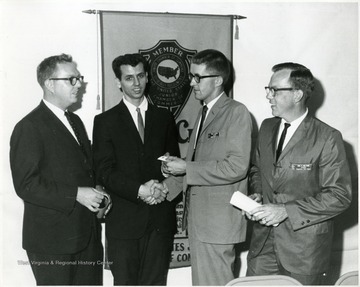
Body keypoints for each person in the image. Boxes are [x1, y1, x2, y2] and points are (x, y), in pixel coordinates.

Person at [245, 62, 352, 285]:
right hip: (262, 246)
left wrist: (286, 211)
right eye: (268, 89)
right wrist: (257, 196)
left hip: (304, 253)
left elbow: (340, 196)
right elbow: (256, 170)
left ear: (298, 94)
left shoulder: (327, 137)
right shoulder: (266, 128)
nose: (268, 96)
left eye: (274, 90)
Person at [9, 54, 108, 285]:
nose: (79, 84)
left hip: (88, 238)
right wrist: (77, 194)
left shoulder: (75, 121)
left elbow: (86, 169)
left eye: (78, 78)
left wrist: (99, 193)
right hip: (52, 243)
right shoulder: (29, 127)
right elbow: (26, 185)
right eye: (71, 79)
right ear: (49, 84)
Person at [163, 49, 252, 286]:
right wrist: (171, 175)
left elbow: (236, 167)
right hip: (202, 223)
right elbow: (201, 162)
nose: (192, 82)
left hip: (217, 224)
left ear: (218, 80)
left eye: (197, 77)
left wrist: (187, 168)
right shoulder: (203, 112)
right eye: (191, 76)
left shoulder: (236, 112)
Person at [92, 53, 180, 285]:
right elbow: (104, 172)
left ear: (148, 77)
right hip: (124, 223)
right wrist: (140, 189)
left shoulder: (164, 117)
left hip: (160, 221)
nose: (137, 83)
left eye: (140, 76)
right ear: (118, 82)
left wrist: (162, 186)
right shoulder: (105, 121)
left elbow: (174, 164)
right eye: (129, 78)